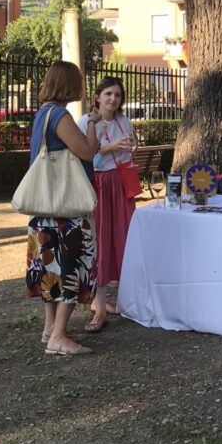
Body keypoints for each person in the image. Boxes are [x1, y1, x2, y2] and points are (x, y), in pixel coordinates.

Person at [24, 61, 101, 356]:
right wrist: (93, 121)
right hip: (65, 211)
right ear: (70, 84)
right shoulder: (60, 115)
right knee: (71, 267)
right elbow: (88, 151)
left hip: (45, 207)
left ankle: (48, 329)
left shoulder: (42, 114)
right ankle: (59, 336)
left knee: (51, 269)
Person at [78, 77, 137, 332]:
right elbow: (84, 153)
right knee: (101, 240)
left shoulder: (124, 121)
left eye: (118, 95)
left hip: (121, 182)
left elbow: (129, 149)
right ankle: (99, 307)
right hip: (99, 184)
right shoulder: (86, 121)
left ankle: (126, 298)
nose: (114, 99)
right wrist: (110, 146)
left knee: (124, 238)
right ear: (98, 96)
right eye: (109, 94)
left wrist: (130, 148)